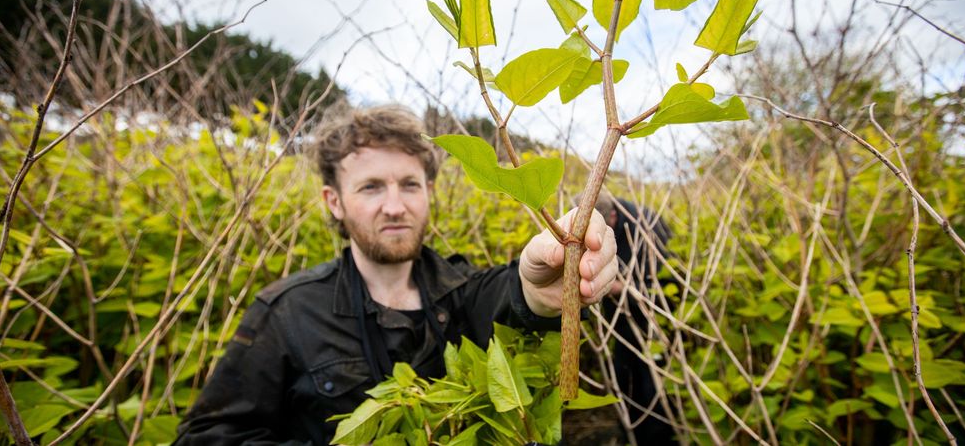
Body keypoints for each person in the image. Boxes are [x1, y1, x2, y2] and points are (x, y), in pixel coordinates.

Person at [174, 105, 618, 445]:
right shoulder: (288, 313)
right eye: (370, 187)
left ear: (428, 192)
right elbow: (207, 437)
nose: (394, 206)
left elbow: (515, 293)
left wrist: (545, 285)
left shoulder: (460, 292)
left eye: (409, 184)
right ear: (334, 201)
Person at [593, 192, 677, 446]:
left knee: (652, 385)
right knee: (624, 378)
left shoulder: (650, 228)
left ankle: (659, 439)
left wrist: (623, 289)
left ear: (614, 216)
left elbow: (666, 288)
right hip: (620, 325)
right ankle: (631, 435)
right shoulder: (602, 226)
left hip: (654, 323)